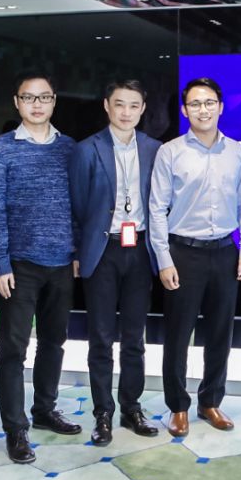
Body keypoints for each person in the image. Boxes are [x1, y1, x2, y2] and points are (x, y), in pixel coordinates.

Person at [149, 77, 241, 438]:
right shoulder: (171, 152)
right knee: (178, 335)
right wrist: (164, 258)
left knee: (220, 334)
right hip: (183, 253)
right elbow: (157, 209)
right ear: (184, 110)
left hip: (225, 252)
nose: (203, 109)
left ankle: (210, 401)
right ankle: (178, 407)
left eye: (209, 102)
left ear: (220, 107)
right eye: (195, 104)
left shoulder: (235, 152)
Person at [0, 71, 81, 464]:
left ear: (54, 101)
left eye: (44, 97)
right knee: (12, 349)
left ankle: (44, 410)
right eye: (29, 97)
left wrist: (77, 252)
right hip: (19, 266)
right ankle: (15, 428)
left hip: (62, 264)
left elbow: (78, 206)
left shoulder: (70, 149)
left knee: (54, 342)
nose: (37, 105)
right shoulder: (0, 149)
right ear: (17, 102)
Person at [69, 80, 162, 446]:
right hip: (102, 250)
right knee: (101, 338)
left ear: (143, 109)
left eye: (133, 105)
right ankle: (102, 413)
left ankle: (131, 408)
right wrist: (79, 252)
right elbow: (78, 207)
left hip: (139, 249)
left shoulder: (155, 149)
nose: (126, 112)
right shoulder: (86, 149)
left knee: (135, 338)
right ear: (107, 106)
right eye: (119, 104)